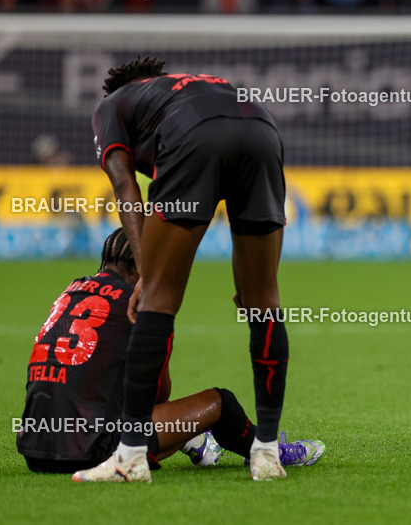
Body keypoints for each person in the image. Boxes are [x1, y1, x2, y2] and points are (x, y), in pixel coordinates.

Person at [76, 57, 290, 482]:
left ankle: (130, 457)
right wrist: (244, 282)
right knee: (262, 301)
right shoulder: (194, 85)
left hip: (193, 137)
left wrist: (145, 270)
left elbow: (125, 186)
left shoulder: (113, 105)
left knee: (157, 298)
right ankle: (267, 454)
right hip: (264, 132)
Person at [18, 229, 323, 475]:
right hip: (90, 450)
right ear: (141, 265)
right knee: (221, 402)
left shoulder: (70, 291)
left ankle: (193, 441)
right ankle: (266, 451)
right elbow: (157, 394)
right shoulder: (145, 304)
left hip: (35, 447)